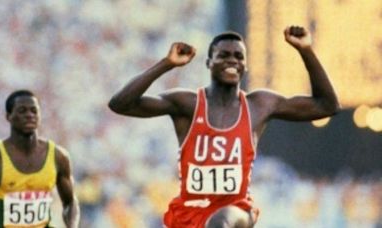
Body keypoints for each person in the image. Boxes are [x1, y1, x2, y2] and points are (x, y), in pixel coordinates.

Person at [108, 25, 339, 227]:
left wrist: (305, 50)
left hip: (236, 211)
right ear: (209, 63)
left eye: (239, 56)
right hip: (188, 214)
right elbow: (120, 104)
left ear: (245, 66)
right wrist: (166, 64)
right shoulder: (187, 104)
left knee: (220, 222)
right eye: (224, 55)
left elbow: (326, 105)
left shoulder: (259, 105)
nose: (232, 61)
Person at [0, 90, 80, 228]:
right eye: (22, 111)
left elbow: (70, 202)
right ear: (8, 116)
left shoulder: (58, 156)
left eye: (34, 111)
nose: (29, 115)